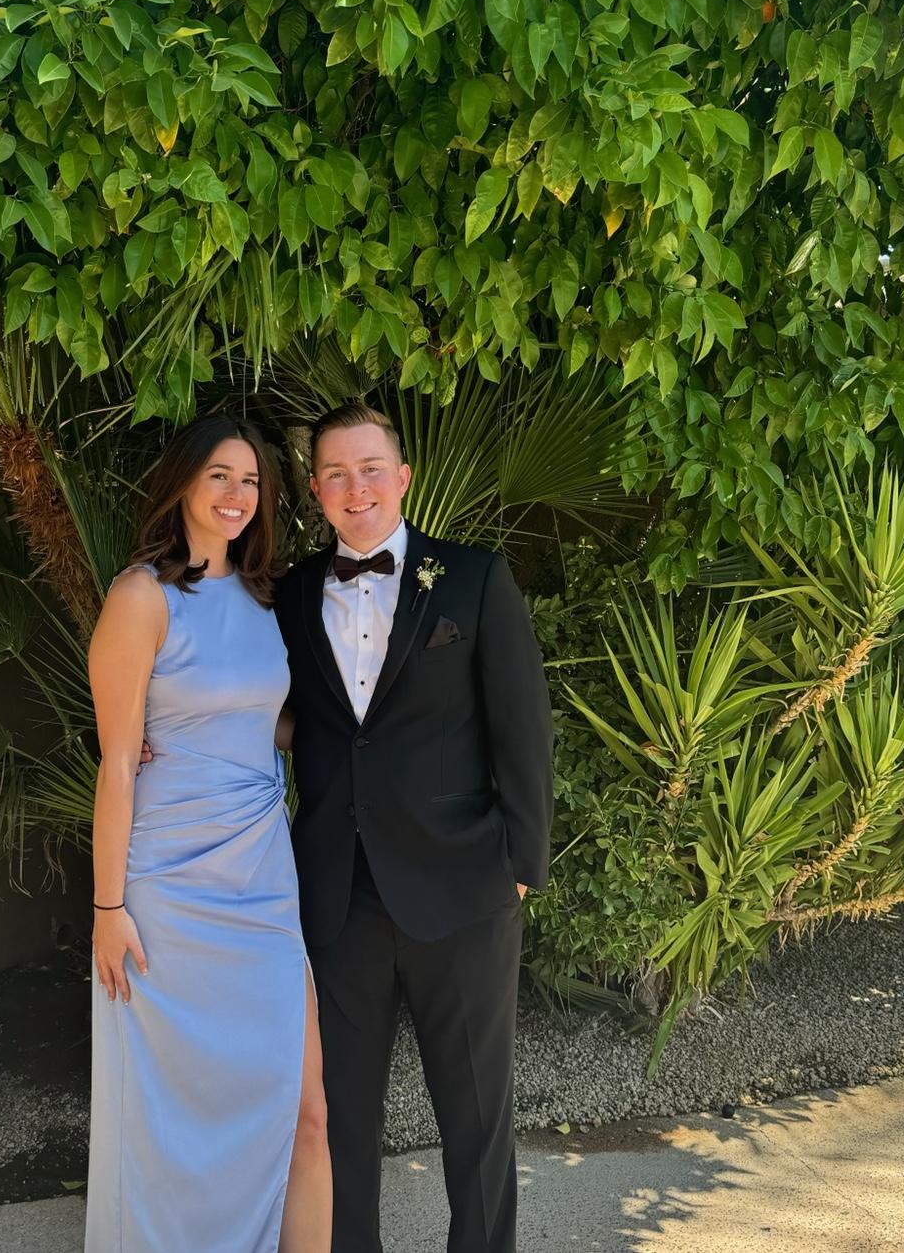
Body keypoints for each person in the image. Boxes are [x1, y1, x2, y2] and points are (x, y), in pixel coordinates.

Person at [273, 402, 554, 1253]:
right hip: (338, 896)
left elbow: (522, 729)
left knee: (476, 1121)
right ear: (316, 490)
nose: (355, 487)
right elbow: (271, 708)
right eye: (335, 473)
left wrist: (521, 866)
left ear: (400, 477)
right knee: (341, 1125)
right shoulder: (290, 595)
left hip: (462, 890)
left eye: (370, 469)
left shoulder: (473, 578)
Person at [84, 415, 331, 1253]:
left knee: (302, 1109)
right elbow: (119, 764)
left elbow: (271, 722)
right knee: (171, 1122)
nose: (236, 494)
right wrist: (107, 907)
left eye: (251, 480)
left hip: (262, 878)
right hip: (168, 889)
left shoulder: (265, 597)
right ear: (183, 482)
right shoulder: (140, 597)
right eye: (220, 476)